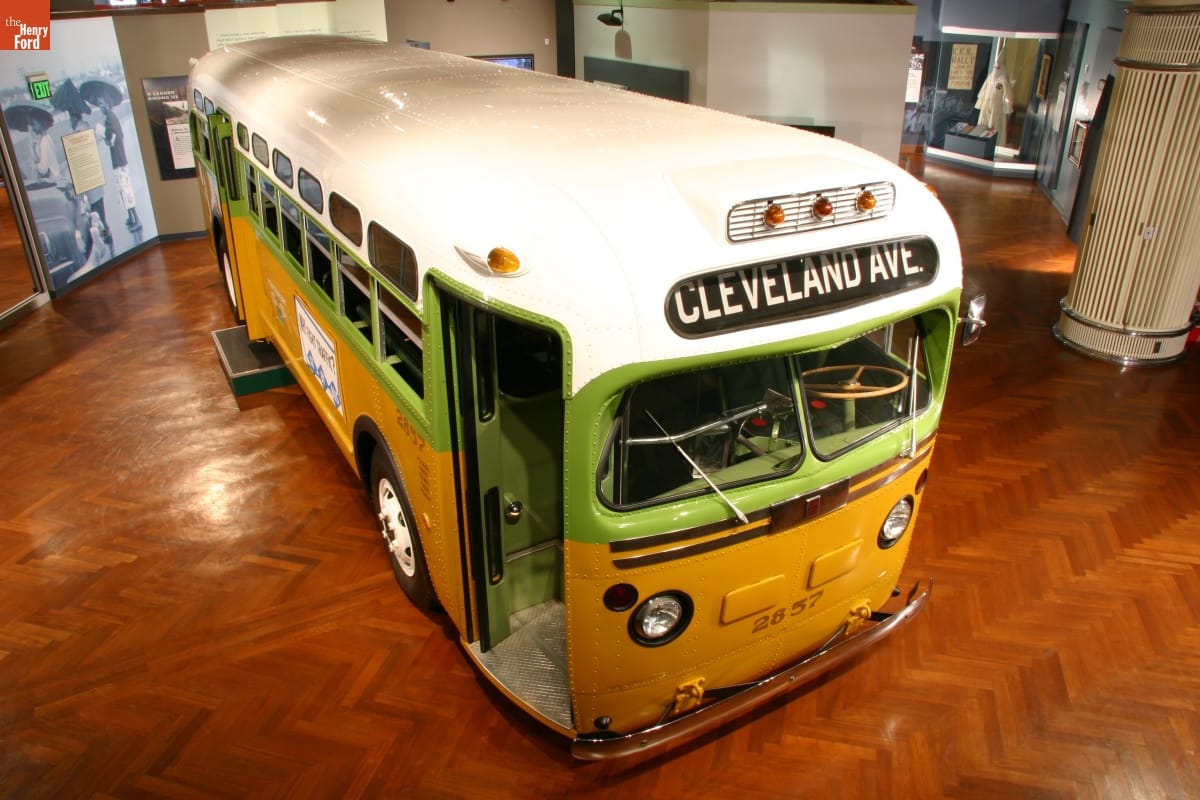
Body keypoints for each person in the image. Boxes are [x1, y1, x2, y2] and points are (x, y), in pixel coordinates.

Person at [95, 94, 139, 229]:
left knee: (125, 190)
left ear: (108, 103)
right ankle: (131, 217)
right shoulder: (111, 117)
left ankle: (136, 219)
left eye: (102, 103)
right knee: (123, 189)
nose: (101, 106)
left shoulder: (109, 119)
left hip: (119, 160)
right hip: (120, 158)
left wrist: (103, 135)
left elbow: (112, 139)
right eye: (99, 104)